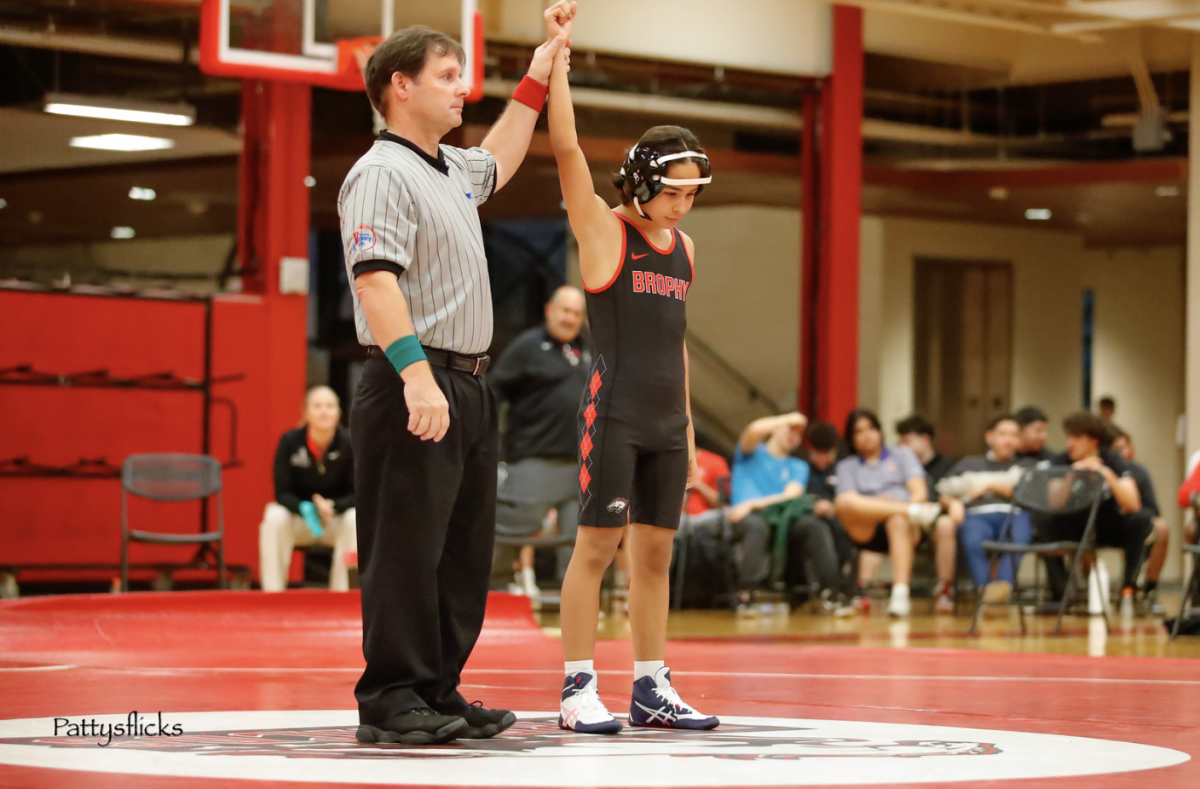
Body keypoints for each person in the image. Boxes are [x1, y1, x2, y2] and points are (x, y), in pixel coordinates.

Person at [339, 7, 572, 746]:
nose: (462, 89)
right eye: (448, 77)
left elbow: (502, 149)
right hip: (414, 376)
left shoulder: (450, 169)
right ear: (399, 86)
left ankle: (436, 687)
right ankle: (391, 694)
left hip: (469, 382)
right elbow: (376, 283)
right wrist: (414, 376)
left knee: (461, 548)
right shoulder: (379, 173)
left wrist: (541, 68)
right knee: (406, 545)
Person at [548, 1, 718, 734]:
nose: (682, 204)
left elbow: (676, 338)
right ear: (642, 182)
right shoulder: (603, 232)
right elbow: (565, 151)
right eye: (674, 190)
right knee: (596, 548)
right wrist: (556, 60)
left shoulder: (685, 250)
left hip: (664, 423)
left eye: (692, 193)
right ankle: (576, 686)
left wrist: (686, 429)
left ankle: (652, 685)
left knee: (655, 556)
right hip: (612, 411)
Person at [490, 285, 590, 593]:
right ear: (549, 310)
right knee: (511, 531)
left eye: (576, 313)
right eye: (565, 310)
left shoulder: (585, 351)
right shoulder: (527, 347)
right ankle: (494, 591)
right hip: (533, 459)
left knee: (580, 538)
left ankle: (576, 601)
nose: (570, 318)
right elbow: (493, 390)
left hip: (579, 464)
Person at [729, 412, 849, 614]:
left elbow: (791, 496)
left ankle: (830, 591)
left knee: (814, 525)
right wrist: (787, 419)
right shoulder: (749, 453)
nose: (794, 436)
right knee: (756, 527)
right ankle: (747, 593)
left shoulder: (798, 466)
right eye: (789, 430)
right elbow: (754, 430)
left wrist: (752, 504)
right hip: (748, 520)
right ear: (775, 428)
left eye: (798, 433)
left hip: (781, 519)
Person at [834, 409, 942, 618]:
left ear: (880, 431)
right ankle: (905, 510)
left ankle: (900, 594)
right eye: (859, 431)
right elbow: (847, 503)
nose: (867, 435)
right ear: (851, 438)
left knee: (897, 520)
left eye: (871, 428)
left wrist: (897, 507)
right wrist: (879, 505)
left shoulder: (902, 454)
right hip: (867, 526)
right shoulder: (846, 466)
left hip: (904, 525)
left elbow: (919, 493)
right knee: (843, 501)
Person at [1038, 413, 1152, 603]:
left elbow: (1133, 504)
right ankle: (1061, 591)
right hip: (1073, 523)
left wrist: (1105, 473)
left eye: (1077, 437)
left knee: (1140, 520)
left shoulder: (1113, 460)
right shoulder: (1061, 461)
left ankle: (1128, 588)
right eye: (1068, 437)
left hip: (1106, 522)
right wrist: (1071, 475)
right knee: (1044, 520)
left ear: (1093, 440)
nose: (1070, 443)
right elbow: (1054, 503)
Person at [259, 386, 357, 592]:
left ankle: (344, 594)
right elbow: (282, 493)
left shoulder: (350, 443)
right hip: (301, 518)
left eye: (330, 406)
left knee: (355, 518)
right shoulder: (290, 442)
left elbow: (359, 494)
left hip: (334, 519)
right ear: (305, 412)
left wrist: (333, 505)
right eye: (317, 406)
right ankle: (272, 593)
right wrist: (306, 507)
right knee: (274, 516)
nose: (324, 411)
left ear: (338, 412)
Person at [936, 414, 1031, 604]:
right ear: (990, 437)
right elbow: (942, 490)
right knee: (973, 539)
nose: (1009, 440)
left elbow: (1028, 492)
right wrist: (953, 503)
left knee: (1019, 537)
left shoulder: (1026, 465)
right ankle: (985, 587)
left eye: (1014, 435)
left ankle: (1004, 585)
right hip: (977, 514)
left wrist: (989, 485)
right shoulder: (969, 464)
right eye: (1003, 434)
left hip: (1013, 513)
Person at [896, 414, 960, 614]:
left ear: (925, 440)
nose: (901, 446)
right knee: (898, 522)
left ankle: (944, 588)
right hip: (909, 517)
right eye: (900, 441)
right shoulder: (899, 468)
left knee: (945, 525)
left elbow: (952, 496)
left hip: (936, 519)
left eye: (907, 441)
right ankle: (896, 590)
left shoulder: (948, 465)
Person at [1108, 427, 1167, 615]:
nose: (1122, 453)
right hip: (1105, 525)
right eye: (1116, 450)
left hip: (1135, 524)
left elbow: (1153, 509)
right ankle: (1085, 588)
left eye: (1125, 447)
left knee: (1161, 528)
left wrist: (1132, 507)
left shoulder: (1138, 472)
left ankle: (1149, 588)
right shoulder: (1099, 471)